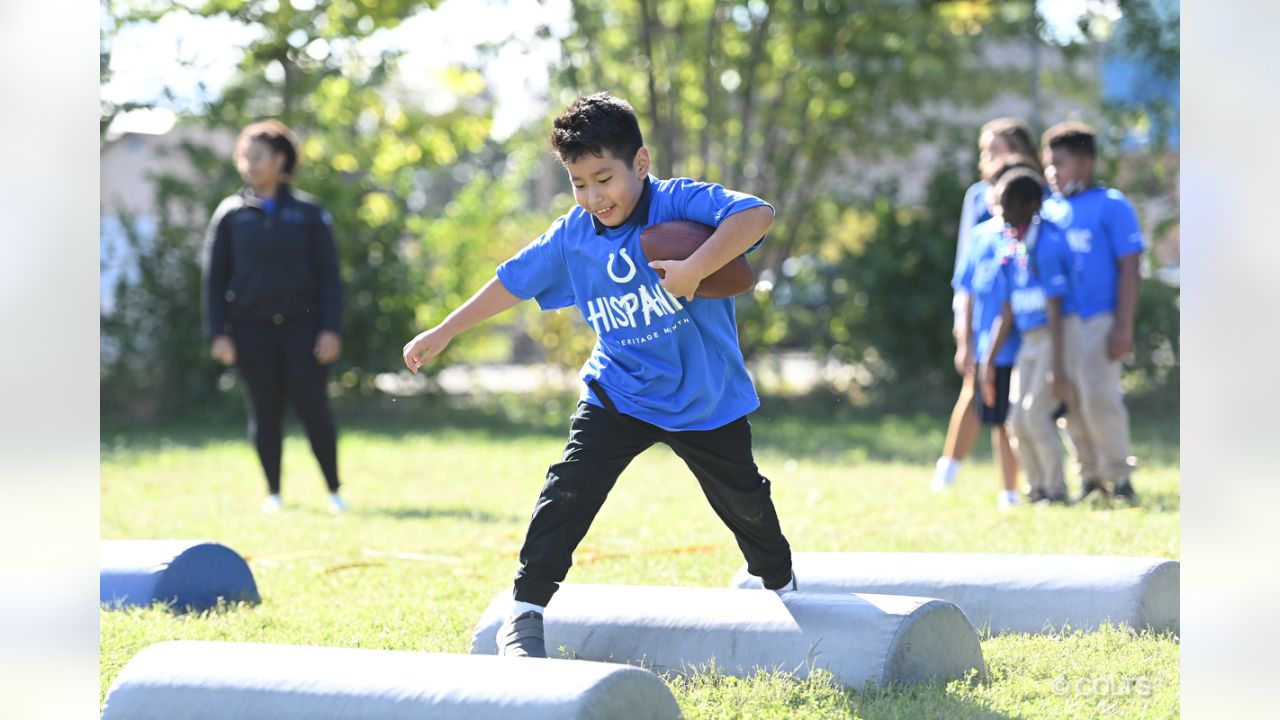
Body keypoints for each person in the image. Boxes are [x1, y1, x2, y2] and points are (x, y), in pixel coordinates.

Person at [402, 93, 795, 658]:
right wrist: (444, 331)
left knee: (745, 502)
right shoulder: (573, 234)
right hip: (620, 391)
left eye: (604, 178)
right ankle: (526, 611)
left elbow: (758, 215)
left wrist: (693, 268)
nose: (593, 196)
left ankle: (783, 585)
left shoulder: (678, 202)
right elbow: (512, 281)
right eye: (579, 183)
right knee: (568, 489)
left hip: (704, 397)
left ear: (640, 163)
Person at [202, 120, 348, 515]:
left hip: (303, 331)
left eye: (259, 157)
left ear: (280, 160)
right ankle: (274, 493)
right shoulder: (231, 215)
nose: (250, 165)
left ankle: (334, 491)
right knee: (264, 412)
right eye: (245, 157)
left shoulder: (308, 214)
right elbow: (214, 279)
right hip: (250, 331)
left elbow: (329, 278)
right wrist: (219, 333)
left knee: (314, 409)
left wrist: (330, 329)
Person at [934, 118, 1044, 491]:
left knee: (1024, 400)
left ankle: (1028, 481)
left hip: (1030, 313)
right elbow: (967, 262)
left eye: (994, 147)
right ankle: (948, 470)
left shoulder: (1037, 192)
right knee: (978, 386)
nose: (987, 157)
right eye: (984, 149)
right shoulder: (980, 196)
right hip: (986, 314)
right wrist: (959, 322)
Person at [1040, 121, 1144, 504]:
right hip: (1060, 321)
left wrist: (1123, 324)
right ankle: (1089, 476)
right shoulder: (1048, 210)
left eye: (1060, 164)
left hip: (1099, 317)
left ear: (1085, 163)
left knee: (1099, 396)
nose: (1052, 173)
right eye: (1048, 165)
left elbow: (1130, 267)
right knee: (1070, 401)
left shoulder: (1112, 205)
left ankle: (1120, 475)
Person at [983, 169, 1078, 504]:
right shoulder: (1011, 248)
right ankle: (1036, 488)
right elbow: (1006, 310)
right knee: (1017, 420)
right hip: (1028, 341)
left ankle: (1056, 489)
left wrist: (1057, 363)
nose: (1002, 214)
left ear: (1030, 205)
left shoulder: (1047, 244)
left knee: (1036, 415)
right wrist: (989, 360)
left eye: (1008, 206)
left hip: (1053, 337)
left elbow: (1055, 307)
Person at [951, 174, 1027, 509]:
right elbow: (965, 291)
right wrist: (965, 341)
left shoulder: (1016, 241)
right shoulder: (980, 237)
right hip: (985, 345)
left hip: (1015, 346)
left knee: (1015, 420)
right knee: (996, 417)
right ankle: (1008, 491)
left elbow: (1011, 302)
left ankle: (1016, 488)